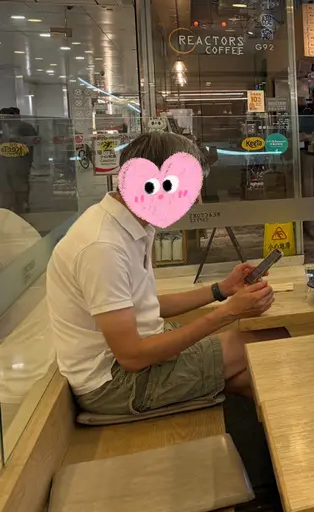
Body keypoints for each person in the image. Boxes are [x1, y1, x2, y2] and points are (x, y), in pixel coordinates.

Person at [46, 132, 285, 416]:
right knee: (269, 341)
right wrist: (229, 312)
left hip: (132, 361)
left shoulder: (130, 224)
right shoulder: (102, 248)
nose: (192, 202)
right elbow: (132, 356)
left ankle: (268, 436)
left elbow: (146, 306)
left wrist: (222, 289)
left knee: (251, 372)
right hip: (114, 383)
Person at [0, 107, 37, 215]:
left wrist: (15, 139)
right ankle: (11, 207)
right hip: (7, 163)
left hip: (20, 162)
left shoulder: (24, 127)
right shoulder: (4, 127)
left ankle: (20, 206)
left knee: (20, 184)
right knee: (8, 185)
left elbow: (34, 141)